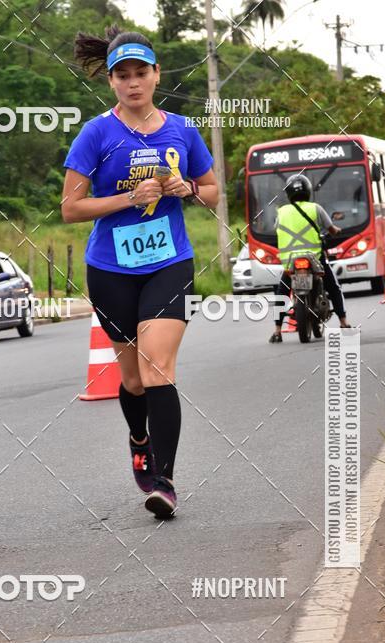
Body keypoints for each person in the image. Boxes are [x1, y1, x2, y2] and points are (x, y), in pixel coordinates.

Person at [62, 27, 219, 518]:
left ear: (156, 75)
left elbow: (214, 192)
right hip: (110, 268)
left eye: (141, 73)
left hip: (170, 262)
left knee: (157, 368)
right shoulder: (96, 134)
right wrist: (129, 197)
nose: (133, 83)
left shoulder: (182, 130)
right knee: (132, 381)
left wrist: (188, 189)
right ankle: (138, 438)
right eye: (122, 75)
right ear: (111, 81)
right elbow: (71, 208)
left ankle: (165, 482)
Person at [269, 173, 351, 343]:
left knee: (282, 293)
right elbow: (331, 229)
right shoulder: (315, 208)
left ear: (288, 193)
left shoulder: (281, 212)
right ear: (307, 191)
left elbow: (276, 229)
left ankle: (277, 331)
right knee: (333, 287)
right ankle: (343, 322)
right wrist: (337, 231)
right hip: (315, 259)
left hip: (290, 262)